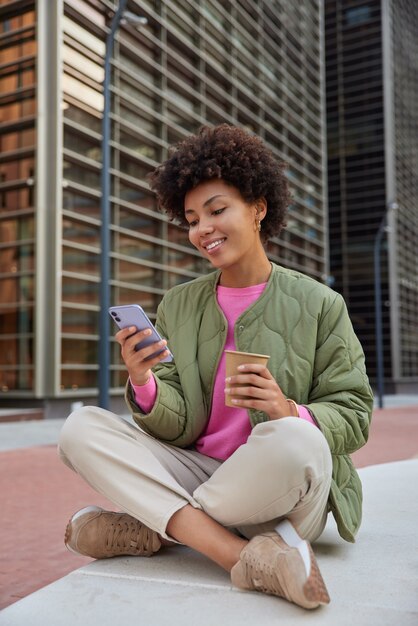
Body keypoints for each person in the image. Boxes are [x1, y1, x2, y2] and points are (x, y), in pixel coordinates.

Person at [58, 124, 373, 610]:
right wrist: (144, 381)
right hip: (201, 473)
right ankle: (237, 555)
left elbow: (354, 415)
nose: (202, 228)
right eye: (191, 218)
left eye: (217, 210)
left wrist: (286, 407)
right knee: (81, 428)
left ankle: (156, 526)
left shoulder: (320, 304)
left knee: (296, 437)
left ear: (258, 207)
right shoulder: (180, 304)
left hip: (281, 490)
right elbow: (178, 421)